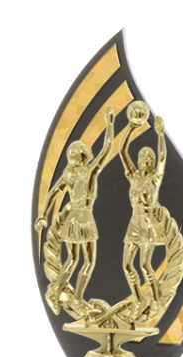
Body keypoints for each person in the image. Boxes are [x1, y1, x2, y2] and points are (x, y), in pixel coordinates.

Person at [36, 107, 115, 306]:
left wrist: (43, 214)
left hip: (77, 219)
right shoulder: (88, 171)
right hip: (82, 218)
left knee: (74, 260)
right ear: (82, 155)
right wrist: (110, 124)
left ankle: (60, 293)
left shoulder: (73, 174)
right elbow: (106, 148)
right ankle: (73, 296)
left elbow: (53, 193)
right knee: (87, 261)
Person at [119, 109, 174, 308]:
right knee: (127, 265)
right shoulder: (134, 177)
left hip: (148, 223)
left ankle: (157, 300)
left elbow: (162, 159)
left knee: (144, 265)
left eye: (148, 158)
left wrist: (160, 134)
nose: (145, 161)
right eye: (142, 158)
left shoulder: (154, 179)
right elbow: (122, 151)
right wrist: (131, 127)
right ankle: (139, 300)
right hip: (135, 221)